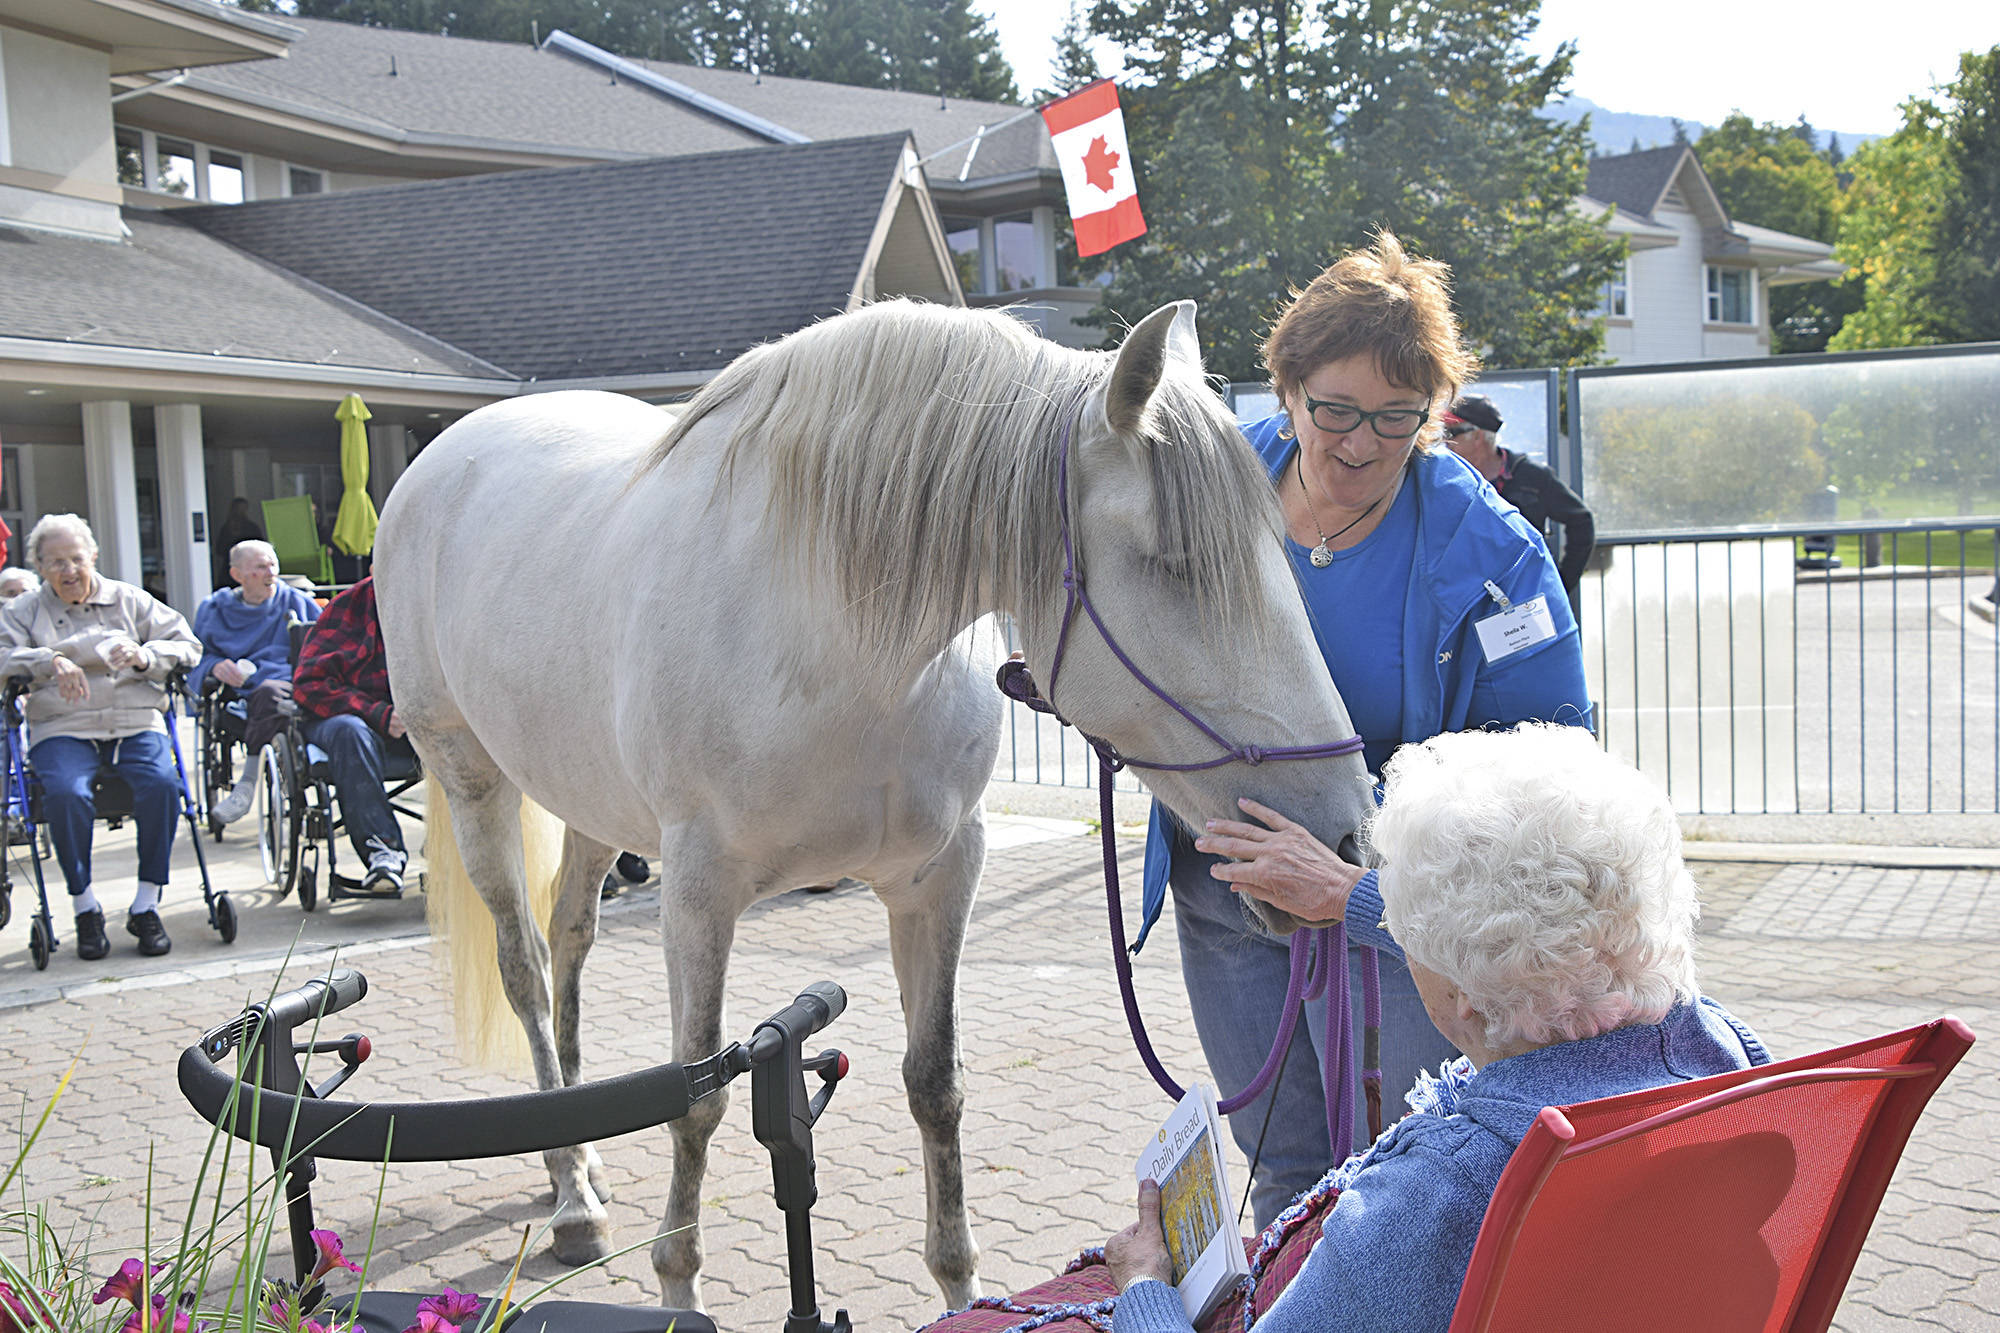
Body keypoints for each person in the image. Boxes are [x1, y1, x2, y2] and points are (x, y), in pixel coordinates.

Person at [1139, 231, 1592, 1226]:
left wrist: (1354, 888)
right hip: (1222, 885)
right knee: (1283, 1170)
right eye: (1332, 411)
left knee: (1400, 1177)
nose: (1355, 444)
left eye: (1395, 420)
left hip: (1387, 906)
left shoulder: (1492, 554)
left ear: (1432, 415)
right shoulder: (1217, 478)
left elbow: (1552, 772)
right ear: (1284, 387)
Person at [1106, 724, 1769, 1333]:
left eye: (1401, 922)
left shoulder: (1422, 1207)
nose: (1394, 934)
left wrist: (1144, 1291)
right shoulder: (1720, 1054)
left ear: (1465, 999)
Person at [0, 514, 200, 959]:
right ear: (38, 566)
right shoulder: (23, 610)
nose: (68, 571)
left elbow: (187, 644)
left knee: (163, 784)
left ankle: (146, 904)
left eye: (75, 558)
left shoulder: (129, 599)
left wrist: (146, 655)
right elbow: (2, 656)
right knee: (66, 794)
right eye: (55, 563)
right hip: (62, 725)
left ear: (93, 555)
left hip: (133, 719)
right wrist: (49, 660)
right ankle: (84, 905)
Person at [292, 576, 411, 891]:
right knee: (350, 732)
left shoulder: (428, 602)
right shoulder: (348, 607)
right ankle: (383, 853)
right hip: (344, 719)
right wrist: (379, 714)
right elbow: (309, 684)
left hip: (412, 725)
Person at [194, 539, 323, 824]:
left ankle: (248, 781)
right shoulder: (215, 609)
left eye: (273, 564)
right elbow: (196, 656)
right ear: (237, 575)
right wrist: (215, 667)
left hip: (290, 688)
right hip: (240, 696)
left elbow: (327, 646)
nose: (270, 573)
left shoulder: (297, 602)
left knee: (270, 693)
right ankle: (251, 782)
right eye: (260, 567)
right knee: (263, 695)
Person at [1442, 394, 1596, 621]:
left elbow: (1581, 521)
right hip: (1469, 607)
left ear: (1477, 436)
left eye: (1452, 433)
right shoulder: (1447, 482)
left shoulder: (1531, 476)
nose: (1445, 441)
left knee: (1533, 656)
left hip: (1528, 604)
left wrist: (1561, 584)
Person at [213, 497, 263, 588]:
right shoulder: (226, 528)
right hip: (229, 569)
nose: (240, 512)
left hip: (249, 566)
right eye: (238, 509)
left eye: (243, 509)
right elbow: (219, 549)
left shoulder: (251, 528)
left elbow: (260, 546)